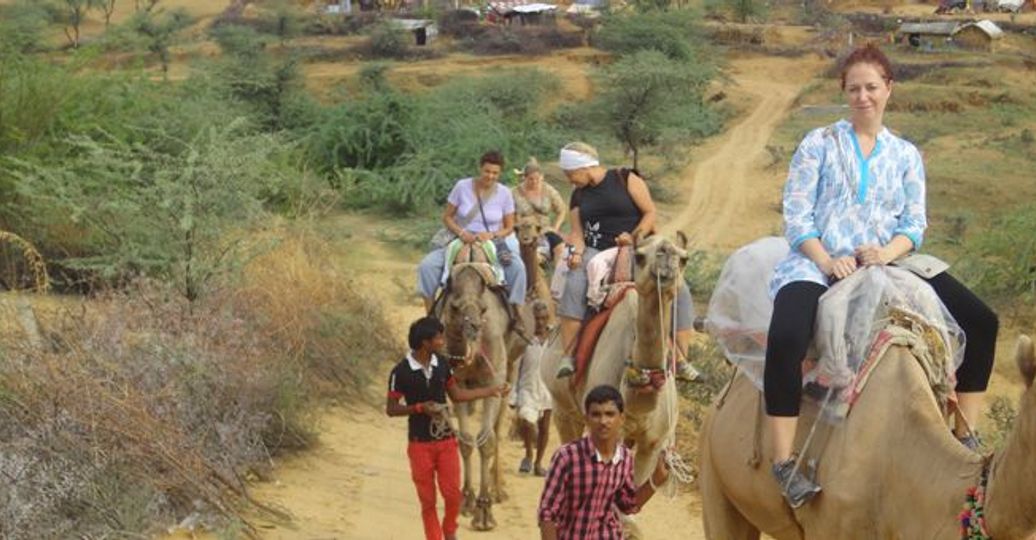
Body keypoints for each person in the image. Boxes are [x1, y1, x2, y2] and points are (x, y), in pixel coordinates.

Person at [764, 43, 998, 509]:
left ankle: (964, 440)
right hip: (818, 259)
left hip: (890, 260)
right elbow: (796, 215)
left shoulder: (906, 154)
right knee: (787, 334)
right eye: (854, 88)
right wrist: (828, 259)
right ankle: (784, 461)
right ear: (844, 92)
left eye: (872, 87)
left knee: (982, 321)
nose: (863, 96)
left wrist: (885, 252)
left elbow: (914, 224)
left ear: (889, 89)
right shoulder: (819, 143)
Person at [553, 142, 698, 382]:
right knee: (575, 281)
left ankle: (681, 360)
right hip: (597, 251)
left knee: (679, 289)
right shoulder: (578, 195)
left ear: (583, 167)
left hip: (637, 248)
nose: (570, 181)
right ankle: (568, 356)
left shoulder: (624, 178)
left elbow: (650, 212)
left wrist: (632, 237)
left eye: (570, 174)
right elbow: (577, 232)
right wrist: (576, 253)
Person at [386, 316, 508, 540]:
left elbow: (457, 395)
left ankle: (449, 530)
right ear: (425, 342)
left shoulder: (441, 365)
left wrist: (490, 391)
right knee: (428, 501)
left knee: (452, 495)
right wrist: (420, 408)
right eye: (438, 337)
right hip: (419, 444)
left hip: (445, 441)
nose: (443, 341)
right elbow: (391, 409)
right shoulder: (400, 372)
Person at [536, 384, 669, 540]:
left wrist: (655, 480)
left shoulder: (624, 458)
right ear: (586, 419)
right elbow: (547, 513)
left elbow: (628, 504)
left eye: (610, 414)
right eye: (596, 415)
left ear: (621, 419)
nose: (603, 421)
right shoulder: (567, 457)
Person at [417, 150, 526, 316]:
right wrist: (461, 232)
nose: (490, 176)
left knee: (518, 268)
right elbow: (447, 217)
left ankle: (517, 315)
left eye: (495, 173)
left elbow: (509, 227)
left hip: (490, 240)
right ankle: (430, 314)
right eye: (487, 171)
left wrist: (492, 235)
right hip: (461, 238)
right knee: (427, 266)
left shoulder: (504, 193)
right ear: (480, 169)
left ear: (500, 173)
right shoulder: (462, 186)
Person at [511, 300, 554, 476]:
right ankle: (528, 453)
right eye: (537, 319)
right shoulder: (525, 339)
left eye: (544, 318)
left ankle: (537, 463)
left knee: (545, 427)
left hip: (547, 389)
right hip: (527, 388)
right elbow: (515, 368)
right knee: (527, 420)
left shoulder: (554, 338)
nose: (541, 323)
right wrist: (513, 395)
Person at [512, 157, 568, 264]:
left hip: (545, 230)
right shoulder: (514, 193)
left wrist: (555, 228)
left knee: (560, 248)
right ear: (525, 178)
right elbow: (509, 214)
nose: (534, 182)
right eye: (531, 179)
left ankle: (558, 275)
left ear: (542, 177)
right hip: (524, 232)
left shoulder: (549, 190)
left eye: (537, 179)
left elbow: (561, 210)